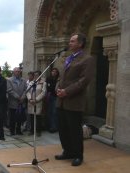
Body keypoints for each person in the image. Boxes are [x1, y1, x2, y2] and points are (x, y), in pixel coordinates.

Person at [54, 33, 94, 166]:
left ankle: (78, 155)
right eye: (70, 41)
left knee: (74, 130)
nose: (69, 43)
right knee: (63, 128)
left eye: (72, 41)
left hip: (74, 101)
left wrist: (67, 91)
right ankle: (67, 151)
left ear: (80, 44)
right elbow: (63, 78)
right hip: (62, 101)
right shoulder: (69, 58)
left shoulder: (87, 59)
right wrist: (58, 89)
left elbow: (84, 81)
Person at [7, 67, 27, 135]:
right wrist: (18, 97)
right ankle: (12, 131)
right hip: (13, 102)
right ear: (13, 72)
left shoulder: (23, 80)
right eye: (16, 71)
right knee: (12, 118)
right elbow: (9, 90)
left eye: (18, 71)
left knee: (20, 117)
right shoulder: (9, 80)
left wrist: (23, 97)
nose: (17, 72)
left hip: (21, 102)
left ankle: (18, 130)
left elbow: (25, 90)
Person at [26, 70, 46, 137]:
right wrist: (30, 99)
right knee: (31, 116)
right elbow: (27, 91)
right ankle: (32, 130)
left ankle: (38, 131)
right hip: (31, 102)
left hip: (38, 102)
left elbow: (43, 93)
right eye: (35, 75)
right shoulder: (31, 82)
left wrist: (36, 99)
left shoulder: (43, 83)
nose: (36, 76)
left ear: (40, 75)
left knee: (38, 117)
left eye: (37, 75)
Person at [45, 68, 59, 133]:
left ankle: (54, 127)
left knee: (54, 112)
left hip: (55, 97)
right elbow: (48, 88)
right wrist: (51, 87)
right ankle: (48, 126)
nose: (54, 73)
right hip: (49, 96)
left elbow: (54, 88)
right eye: (53, 71)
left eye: (55, 72)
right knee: (49, 112)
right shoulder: (48, 79)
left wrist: (51, 87)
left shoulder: (58, 79)